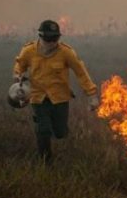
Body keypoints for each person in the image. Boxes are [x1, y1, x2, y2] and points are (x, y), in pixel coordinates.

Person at [12, 19, 99, 160]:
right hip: (38, 97)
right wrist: (17, 76)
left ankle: (51, 130)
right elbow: (19, 65)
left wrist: (92, 95)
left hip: (60, 98)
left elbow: (81, 72)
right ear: (40, 36)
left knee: (60, 132)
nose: (52, 43)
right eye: (49, 39)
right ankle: (46, 162)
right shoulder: (28, 51)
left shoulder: (66, 52)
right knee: (43, 129)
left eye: (55, 38)